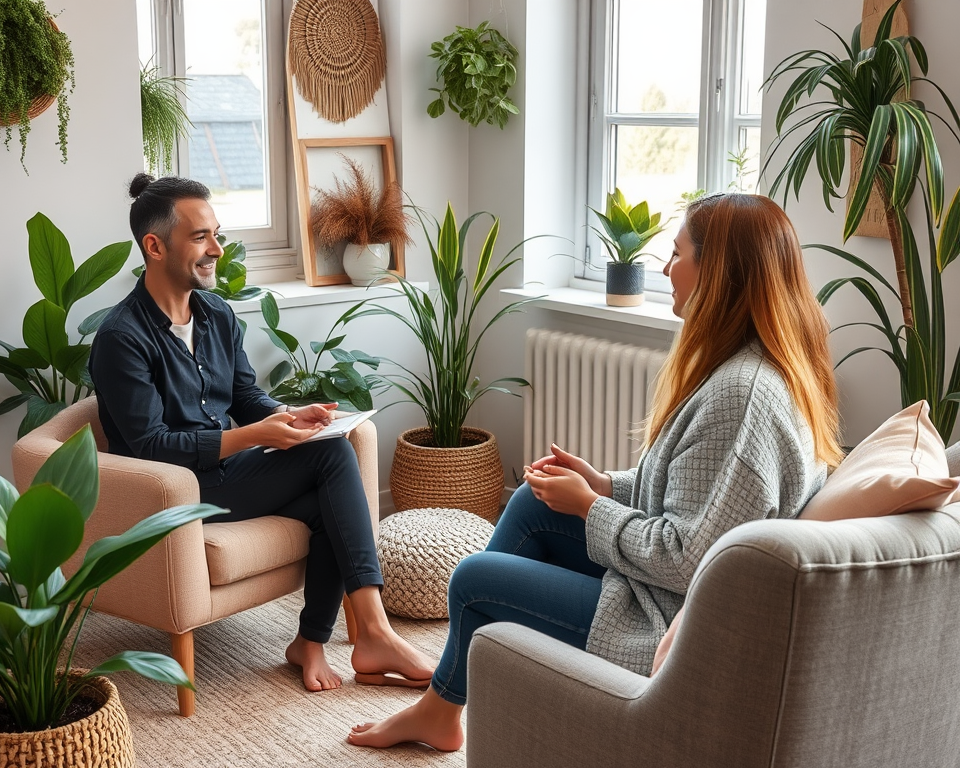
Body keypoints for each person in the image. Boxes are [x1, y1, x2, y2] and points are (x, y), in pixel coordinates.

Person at [347, 193, 843, 750]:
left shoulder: (741, 397)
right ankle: (444, 706)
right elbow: (690, 498)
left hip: (664, 617)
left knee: (471, 581)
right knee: (532, 503)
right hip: (662, 589)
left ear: (717, 272)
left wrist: (589, 506)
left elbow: (686, 559)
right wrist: (605, 485)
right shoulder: (747, 368)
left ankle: (443, 706)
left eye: (676, 254)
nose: (664, 269)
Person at [89, 174, 434, 693]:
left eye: (217, 234)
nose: (216, 249)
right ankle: (374, 633)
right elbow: (152, 447)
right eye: (201, 236)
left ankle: (312, 642)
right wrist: (254, 437)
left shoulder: (216, 314)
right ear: (154, 246)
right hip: (173, 489)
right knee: (331, 462)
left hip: (225, 472)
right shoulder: (121, 338)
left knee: (328, 484)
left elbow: (247, 398)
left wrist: (290, 415)